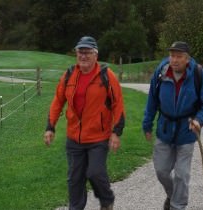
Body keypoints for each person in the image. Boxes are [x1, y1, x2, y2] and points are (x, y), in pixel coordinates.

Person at [44, 36, 125, 210]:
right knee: (75, 179)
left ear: (95, 55)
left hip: (98, 137)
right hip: (74, 138)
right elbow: (58, 101)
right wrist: (50, 127)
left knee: (95, 173)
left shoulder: (106, 76)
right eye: (80, 52)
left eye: (87, 52)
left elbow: (118, 103)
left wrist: (116, 132)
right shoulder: (69, 75)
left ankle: (107, 200)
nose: (83, 56)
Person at [142, 41, 203, 210]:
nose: (174, 60)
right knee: (161, 171)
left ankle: (177, 206)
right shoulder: (161, 73)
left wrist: (199, 119)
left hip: (186, 131)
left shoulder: (198, 74)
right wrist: (147, 124)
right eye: (172, 56)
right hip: (165, 129)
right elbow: (152, 100)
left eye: (179, 56)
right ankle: (172, 194)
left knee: (182, 175)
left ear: (187, 59)